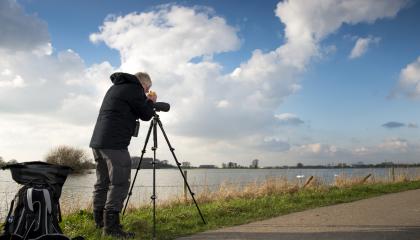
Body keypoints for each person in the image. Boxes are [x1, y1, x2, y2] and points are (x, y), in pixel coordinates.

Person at [89, 72, 157, 238]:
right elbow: (146, 114)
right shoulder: (134, 89)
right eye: (147, 88)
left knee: (102, 182)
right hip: (115, 144)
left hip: (98, 142)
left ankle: (99, 222)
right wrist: (151, 101)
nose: (146, 91)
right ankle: (111, 228)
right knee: (119, 183)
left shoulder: (115, 87)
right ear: (144, 84)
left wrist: (145, 100)